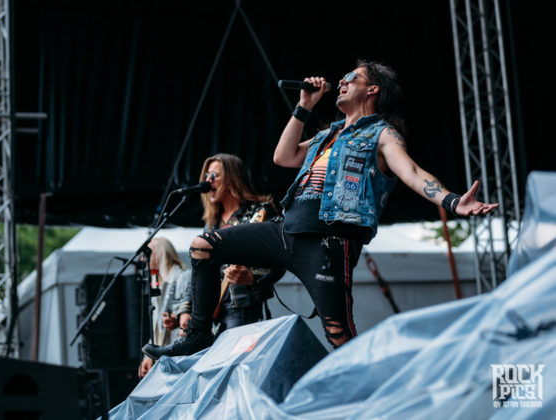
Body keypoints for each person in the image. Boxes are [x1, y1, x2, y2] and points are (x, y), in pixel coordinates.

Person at [143, 59, 498, 359]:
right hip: (286, 231)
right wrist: (304, 106)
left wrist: (453, 201)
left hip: (328, 244)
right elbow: (283, 156)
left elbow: (413, 173)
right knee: (204, 246)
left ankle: (366, 397)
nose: (341, 82)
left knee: (339, 335)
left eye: (352, 78)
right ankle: (199, 334)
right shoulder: (328, 134)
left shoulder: (382, 134)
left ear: (372, 90)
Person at [175, 153, 283, 338]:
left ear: (232, 179)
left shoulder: (259, 212)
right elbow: (198, 272)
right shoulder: (212, 223)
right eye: (206, 176)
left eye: (214, 176)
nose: (208, 181)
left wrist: (252, 277)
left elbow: (279, 260)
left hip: (241, 307)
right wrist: (185, 309)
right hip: (211, 311)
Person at [138, 237, 190, 377]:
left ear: (161, 254)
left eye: (148, 254)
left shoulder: (184, 277)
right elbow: (156, 324)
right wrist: (148, 356)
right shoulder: (158, 284)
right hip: (166, 359)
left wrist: (178, 319)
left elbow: (193, 312)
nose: (142, 259)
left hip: (181, 357)